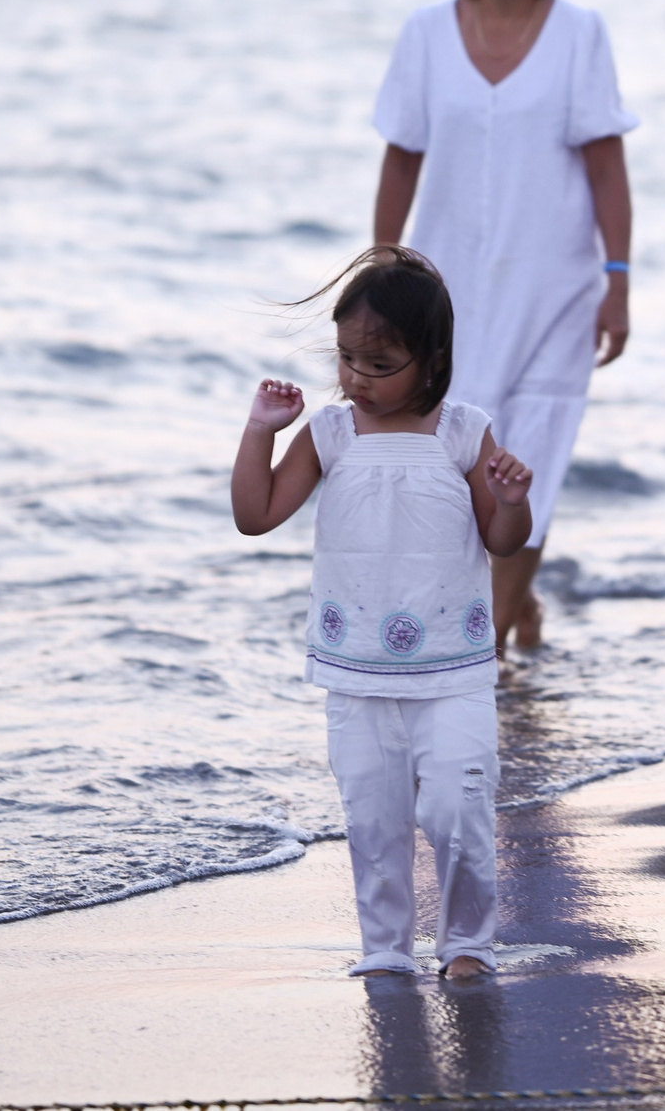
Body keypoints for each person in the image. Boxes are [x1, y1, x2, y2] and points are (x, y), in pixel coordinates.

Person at [230, 247, 535, 978]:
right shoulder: (331, 434)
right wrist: (260, 430)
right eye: (347, 359)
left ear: (431, 360)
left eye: (379, 362)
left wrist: (515, 500)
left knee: (460, 810)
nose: (357, 379)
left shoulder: (463, 431)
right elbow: (255, 514)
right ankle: (387, 947)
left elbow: (502, 540)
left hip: (455, 668)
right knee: (373, 819)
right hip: (356, 669)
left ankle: (466, 940)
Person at [373, 0, 636, 653]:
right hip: (442, 289)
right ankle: (504, 610)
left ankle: (480, 654)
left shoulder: (580, 32)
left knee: (532, 462)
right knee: (444, 462)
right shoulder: (426, 33)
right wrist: (380, 275)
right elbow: (400, 160)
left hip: (555, 286)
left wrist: (618, 280)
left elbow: (607, 167)